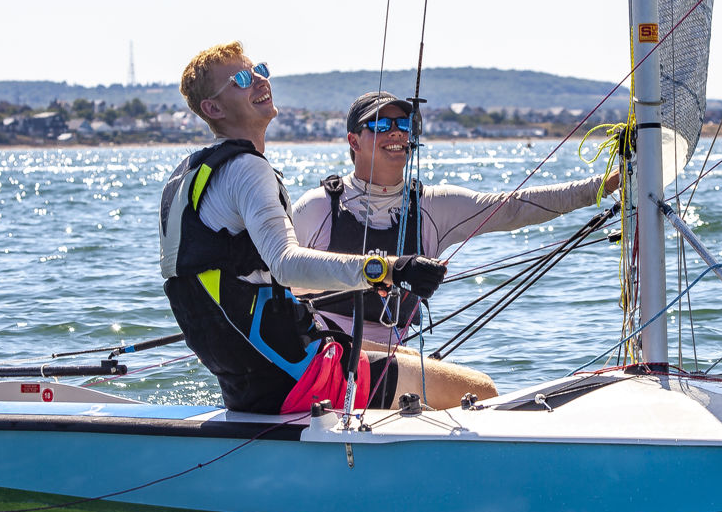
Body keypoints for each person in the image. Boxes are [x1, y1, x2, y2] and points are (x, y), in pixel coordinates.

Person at [159, 43, 495, 414]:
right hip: (303, 375)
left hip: (249, 382)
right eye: (241, 79)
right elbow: (286, 263)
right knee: (480, 390)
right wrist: (389, 269)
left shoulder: (188, 175)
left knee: (403, 381)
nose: (259, 80)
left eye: (260, 70)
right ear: (213, 108)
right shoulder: (246, 168)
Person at [291, 90, 621, 345]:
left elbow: (514, 207)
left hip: (397, 358)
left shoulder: (433, 206)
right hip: (328, 357)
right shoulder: (317, 208)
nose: (395, 133)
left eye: (403, 125)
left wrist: (605, 184)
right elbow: (276, 277)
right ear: (353, 141)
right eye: (379, 125)